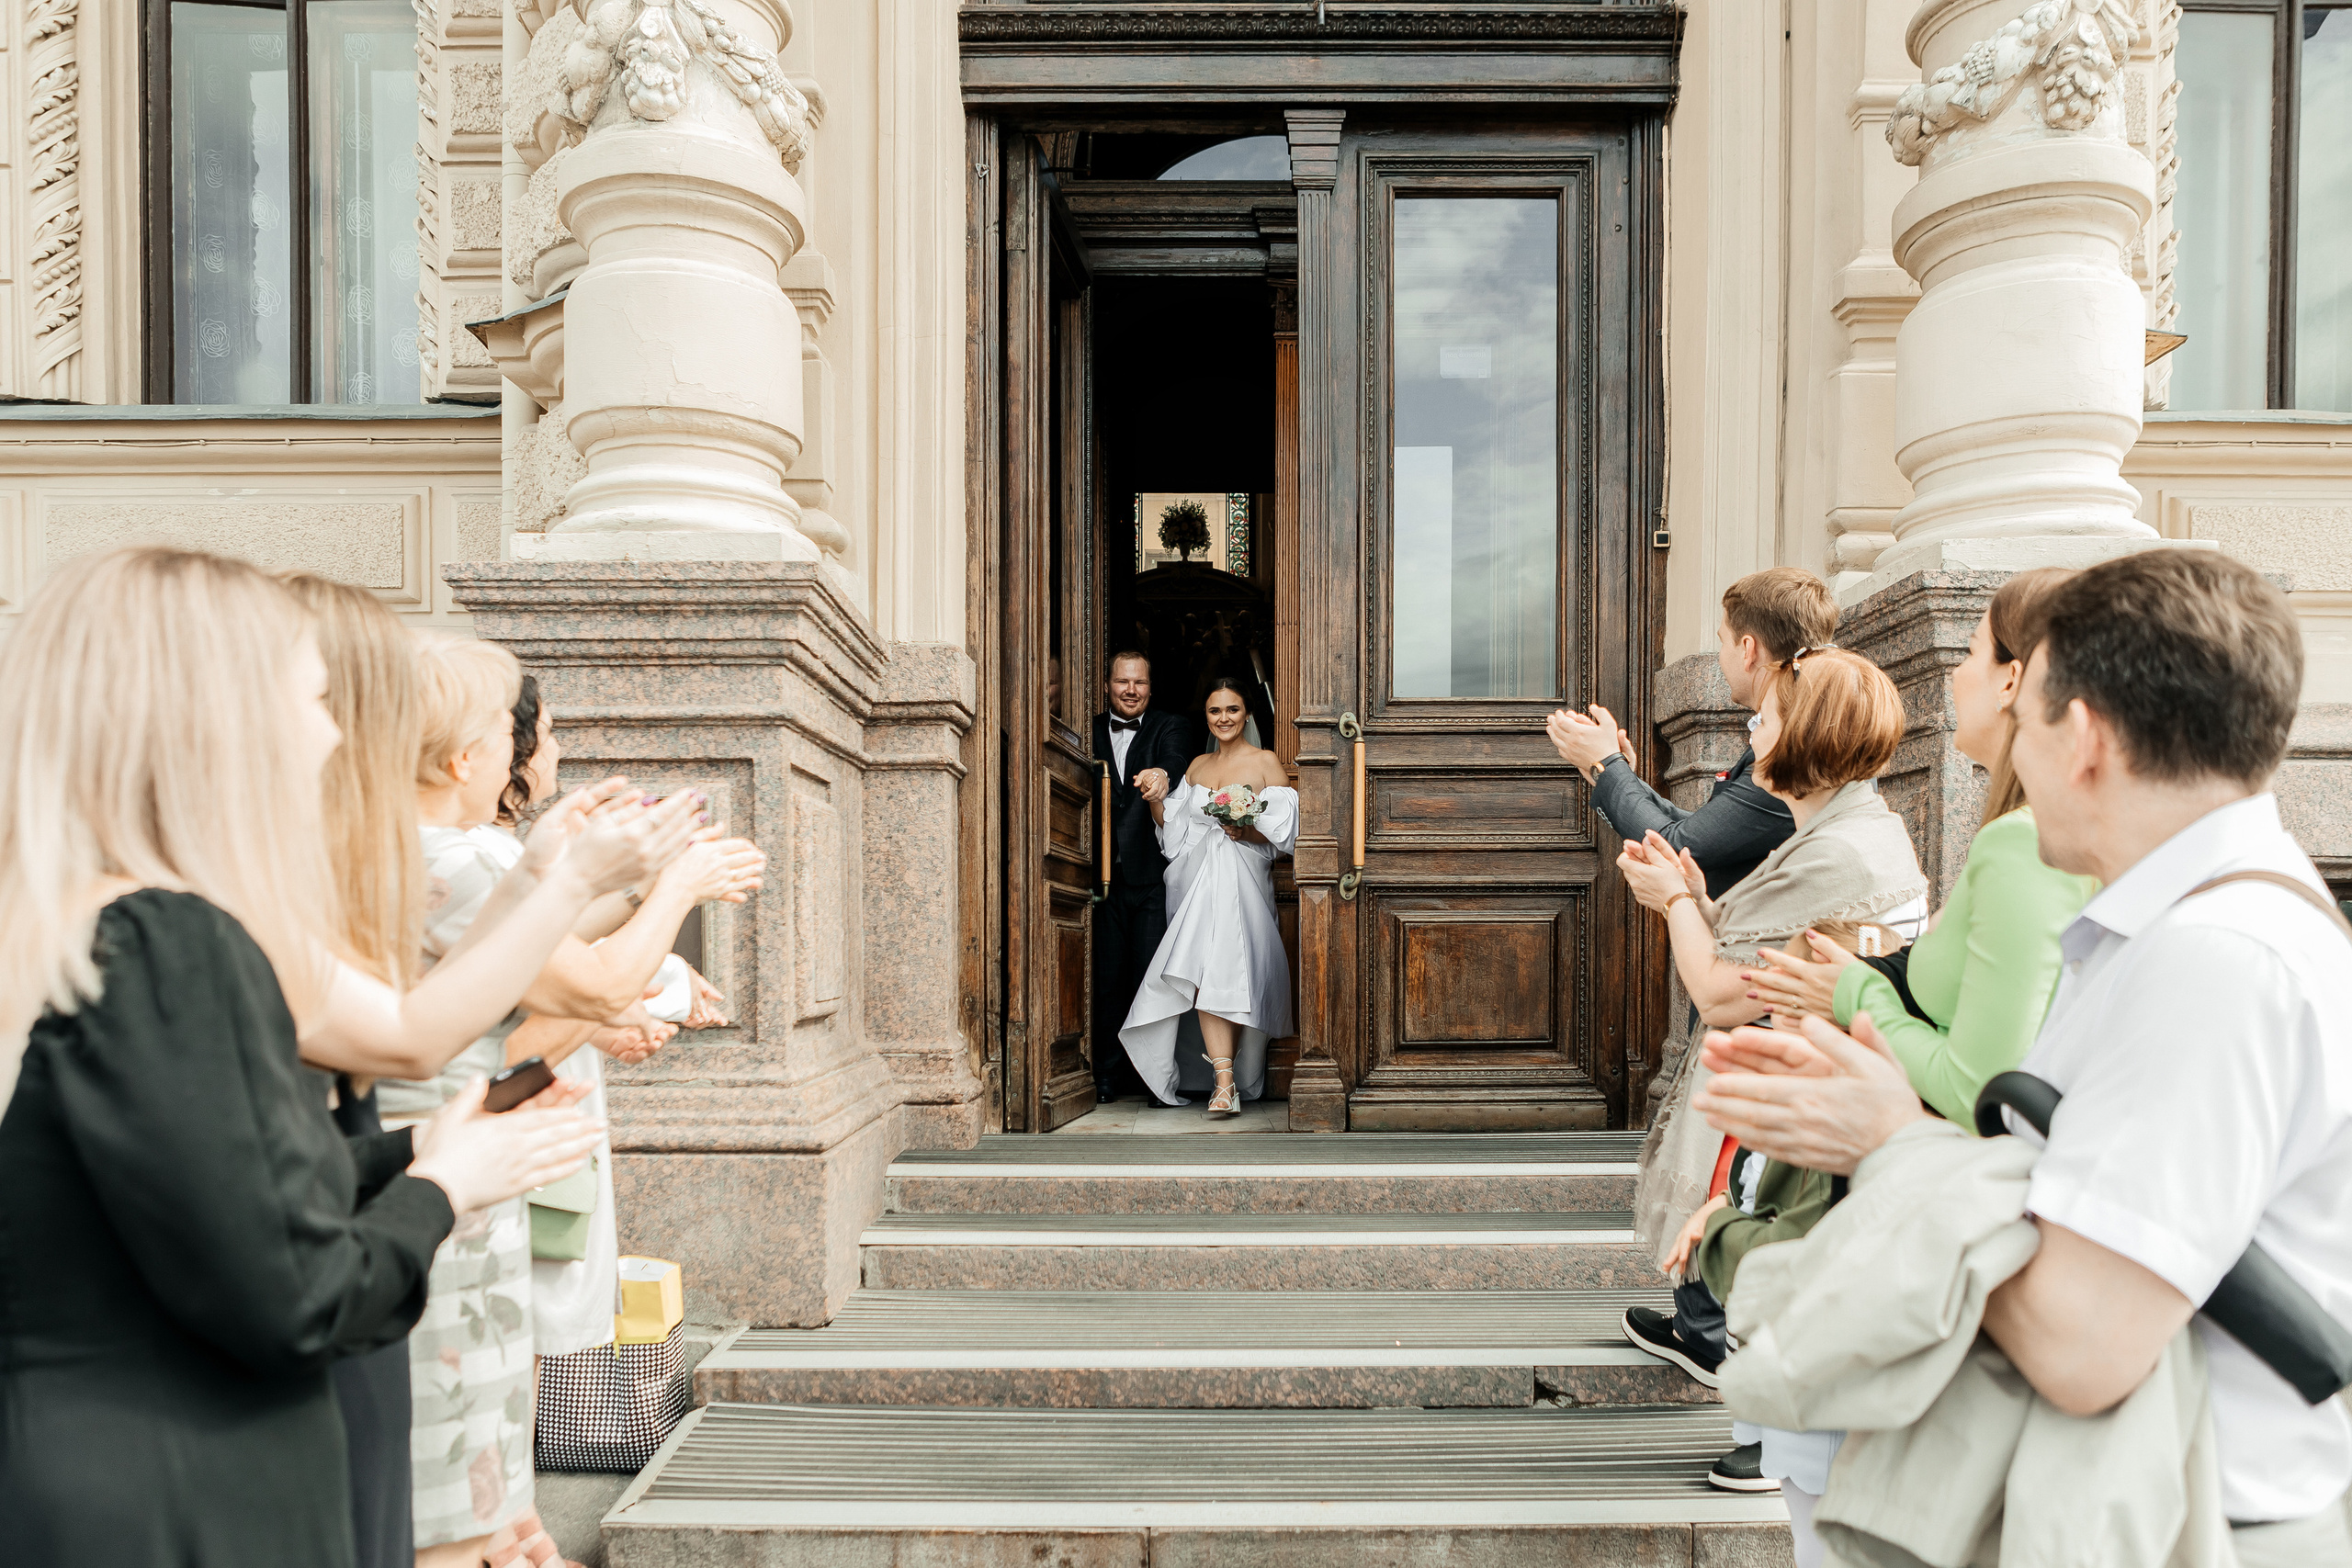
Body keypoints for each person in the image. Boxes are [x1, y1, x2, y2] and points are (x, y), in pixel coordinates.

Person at [1695, 551, 2352, 1568]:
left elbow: (2082, 1346)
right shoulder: (2202, 926)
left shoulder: (2213, 962)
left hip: (2205, 1526)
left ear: (2080, 735)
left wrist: (1889, 1140)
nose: (2015, 758)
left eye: (2031, 716)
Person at [0, 547, 607, 1568]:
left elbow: (195, 1178)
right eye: (314, 699)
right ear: (216, 724)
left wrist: (411, 1149)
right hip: (178, 1495)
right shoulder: (167, 939)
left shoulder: (83, 921)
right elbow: (297, 1292)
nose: (335, 737)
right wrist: (447, 1187)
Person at [1618, 646, 1924, 1533]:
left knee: (1777, 1255)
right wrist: (1684, 894)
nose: (1753, 730)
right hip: (1814, 1091)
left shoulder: (1843, 848)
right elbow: (1760, 946)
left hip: (1817, 1104)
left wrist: (1676, 899)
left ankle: (1779, 1437)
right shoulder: (1840, 827)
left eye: (1768, 716)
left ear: (1810, 732)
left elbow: (1721, 993)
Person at [1743, 569, 2098, 1123]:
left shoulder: (2021, 844)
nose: (1954, 675)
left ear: (2011, 681)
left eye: (1970, 653)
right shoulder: (2029, 832)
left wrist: (1856, 995)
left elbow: (1976, 1090)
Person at [1550, 566, 1839, 898]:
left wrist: (1607, 765)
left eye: (1722, 641)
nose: (1720, 656)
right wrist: (1611, 771)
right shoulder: (1814, 724)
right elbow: (1707, 832)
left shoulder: (1798, 743)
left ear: (1748, 649)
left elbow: (1682, 847)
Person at [1119, 676, 1298, 1114]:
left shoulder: (1266, 762)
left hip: (1243, 882)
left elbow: (1286, 833)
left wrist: (1245, 827)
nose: (1224, 718)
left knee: (1231, 972)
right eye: (1215, 711)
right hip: (1197, 884)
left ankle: (1228, 1082)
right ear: (1207, 716)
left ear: (1247, 714)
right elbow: (1173, 831)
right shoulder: (1196, 767)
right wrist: (1153, 797)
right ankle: (1222, 1081)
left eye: (1232, 709)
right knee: (1204, 974)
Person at [1090, 650, 1196, 1103]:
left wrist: (1160, 774)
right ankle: (1106, 1078)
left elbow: (1172, 760)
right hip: (1095, 878)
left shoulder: (1170, 726)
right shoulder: (1087, 728)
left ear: (1151, 688)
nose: (1130, 690)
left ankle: (1153, 1080)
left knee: (1149, 981)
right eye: (1121, 682)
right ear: (1108, 685)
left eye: (1139, 683)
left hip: (1150, 877)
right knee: (1106, 981)